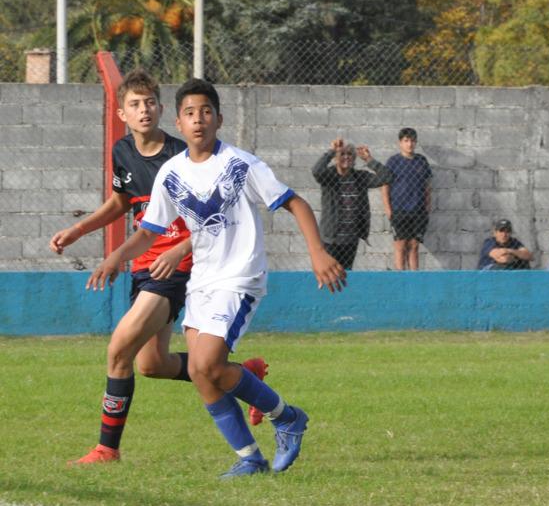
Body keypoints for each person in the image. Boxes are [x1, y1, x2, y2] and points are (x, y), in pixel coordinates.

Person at [88, 78, 346, 479]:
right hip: (201, 282)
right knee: (200, 372)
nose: (198, 120)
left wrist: (317, 253)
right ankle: (250, 456)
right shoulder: (171, 173)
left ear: (219, 118)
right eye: (190, 113)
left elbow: (294, 202)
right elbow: (148, 230)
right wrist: (116, 257)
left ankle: (286, 417)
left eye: (206, 112)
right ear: (180, 120)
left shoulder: (242, 165)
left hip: (240, 278)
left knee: (206, 363)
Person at [50, 70, 266, 463]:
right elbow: (119, 204)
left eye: (149, 102)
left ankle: (106, 449)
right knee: (152, 365)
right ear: (122, 114)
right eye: (135, 104)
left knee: (118, 349)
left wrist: (181, 248)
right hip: (143, 268)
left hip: (175, 270)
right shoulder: (123, 153)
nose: (144, 109)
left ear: (162, 109)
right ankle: (239, 375)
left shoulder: (182, 155)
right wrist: (79, 229)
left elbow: (213, 217)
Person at [312, 138, 392, 269]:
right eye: (342, 154)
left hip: (350, 239)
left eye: (349, 154)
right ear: (336, 158)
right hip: (331, 240)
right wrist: (332, 151)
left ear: (354, 159)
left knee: (347, 274)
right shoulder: (328, 176)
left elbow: (387, 177)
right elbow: (316, 171)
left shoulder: (360, 177)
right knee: (331, 273)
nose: (346, 157)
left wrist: (369, 160)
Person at [382, 127, 433, 271]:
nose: (410, 144)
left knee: (414, 246)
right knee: (400, 245)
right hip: (399, 210)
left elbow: (427, 186)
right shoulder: (393, 161)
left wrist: (427, 206)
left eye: (412, 141)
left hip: (418, 210)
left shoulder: (421, 161)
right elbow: (385, 186)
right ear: (400, 143)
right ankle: (400, 277)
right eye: (406, 141)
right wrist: (388, 209)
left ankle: (414, 278)